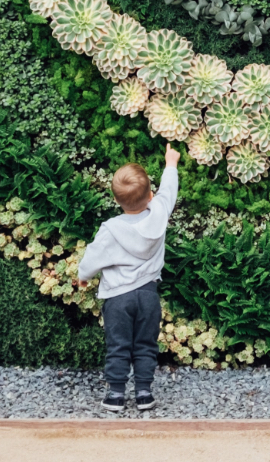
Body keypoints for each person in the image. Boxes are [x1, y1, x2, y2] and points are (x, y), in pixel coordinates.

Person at [77, 143, 180, 412]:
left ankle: (115, 395)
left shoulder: (111, 229)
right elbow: (169, 192)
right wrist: (171, 163)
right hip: (148, 295)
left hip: (117, 298)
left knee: (118, 345)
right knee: (146, 344)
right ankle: (144, 393)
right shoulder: (159, 214)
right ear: (150, 195)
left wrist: (83, 276)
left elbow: (92, 257)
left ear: (116, 200)